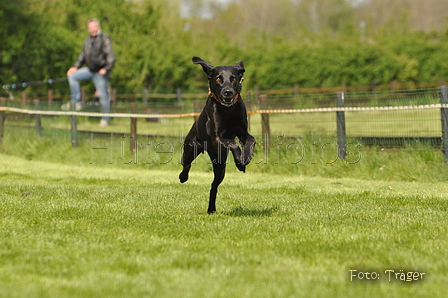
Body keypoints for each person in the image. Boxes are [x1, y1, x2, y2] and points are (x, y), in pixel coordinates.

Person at [62, 18, 115, 127]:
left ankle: (105, 119)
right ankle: (76, 101)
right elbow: (83, 55)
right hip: (90, 70)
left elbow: (110, 57)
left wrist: (106, 68)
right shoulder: (88, 40)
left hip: (100, 72)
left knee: (103, 96)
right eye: (90, 28)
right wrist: (75, 67)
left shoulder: (104, 39)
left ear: (98, 27)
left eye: (94, 27)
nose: (93, 30)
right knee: (72, 76)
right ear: (88, 29)